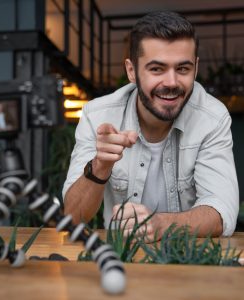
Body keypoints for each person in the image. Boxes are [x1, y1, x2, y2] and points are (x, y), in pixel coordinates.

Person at [62, 11, 239, 241]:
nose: (172, 83)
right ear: (131, 71)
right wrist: (99, 167)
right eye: (157, 69)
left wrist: (160, 225)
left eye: (183, 69)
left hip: (191, 262)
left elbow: (221, 212)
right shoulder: (98, 116)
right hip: (120, 259)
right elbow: (73, 218)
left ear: (195, 68)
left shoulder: (212, 118)